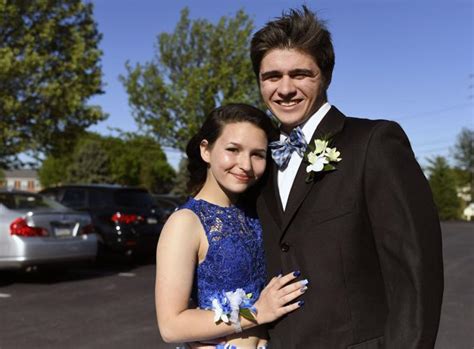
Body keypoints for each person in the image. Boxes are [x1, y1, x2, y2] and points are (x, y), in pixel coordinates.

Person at [250, 6, 444, 349]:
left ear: (325, 76)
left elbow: (415, 270)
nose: (285, 89)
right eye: (272, 76)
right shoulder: (259, 160)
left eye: (300, 74)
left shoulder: (374, 142)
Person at [155, 104, 308, 349]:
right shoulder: (185, 222)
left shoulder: (257, 213)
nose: (245, 165)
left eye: (257, 154)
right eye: (233, 150)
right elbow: (171, 326)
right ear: (206, 150)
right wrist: (257, 312)